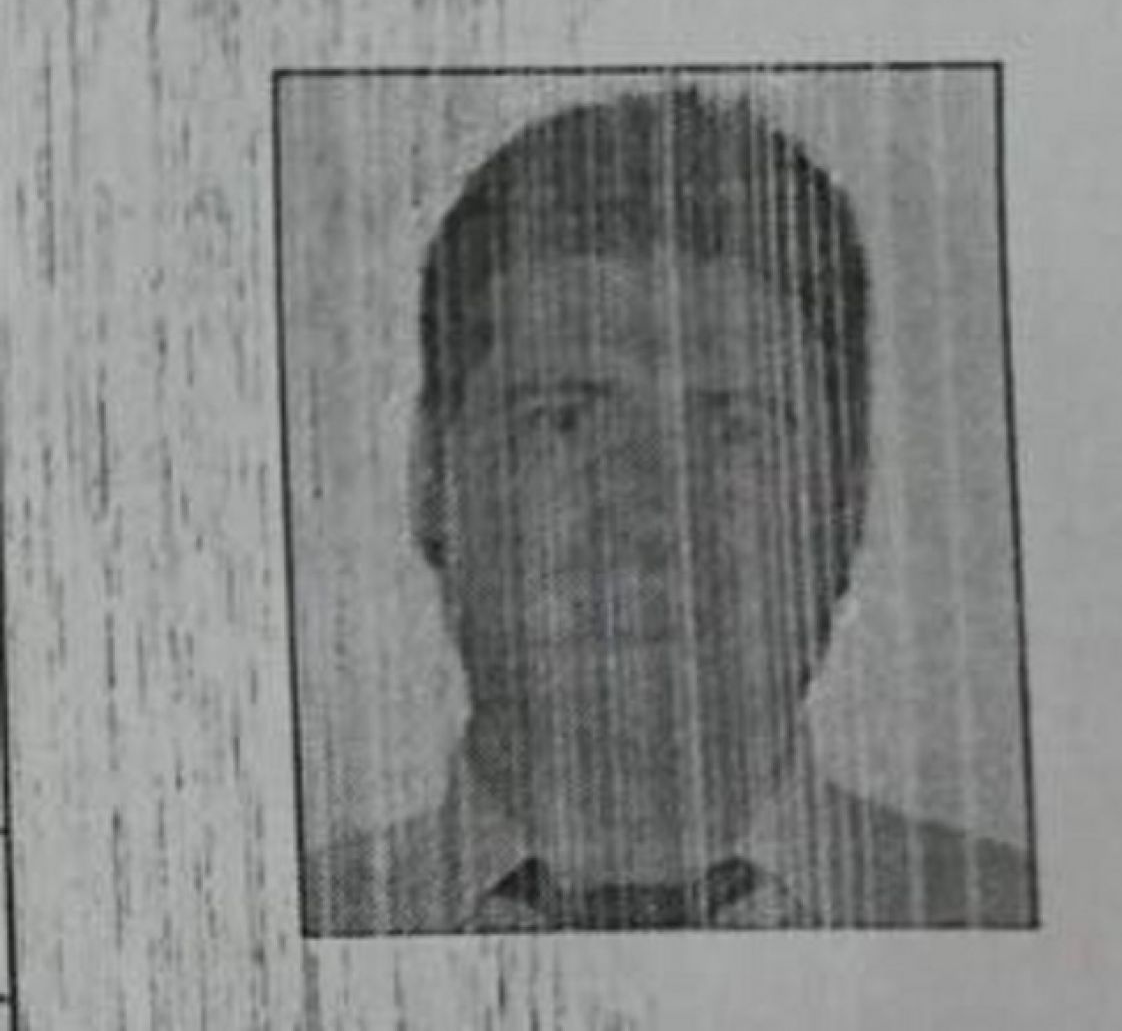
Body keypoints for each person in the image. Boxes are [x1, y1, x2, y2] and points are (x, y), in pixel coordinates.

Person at [305, 88, 1034, 934]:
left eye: (736, 427)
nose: (655, 515)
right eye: (563, 420)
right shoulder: (289, 931)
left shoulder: (1012, 921)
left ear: (845, 500)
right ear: (433, 477)